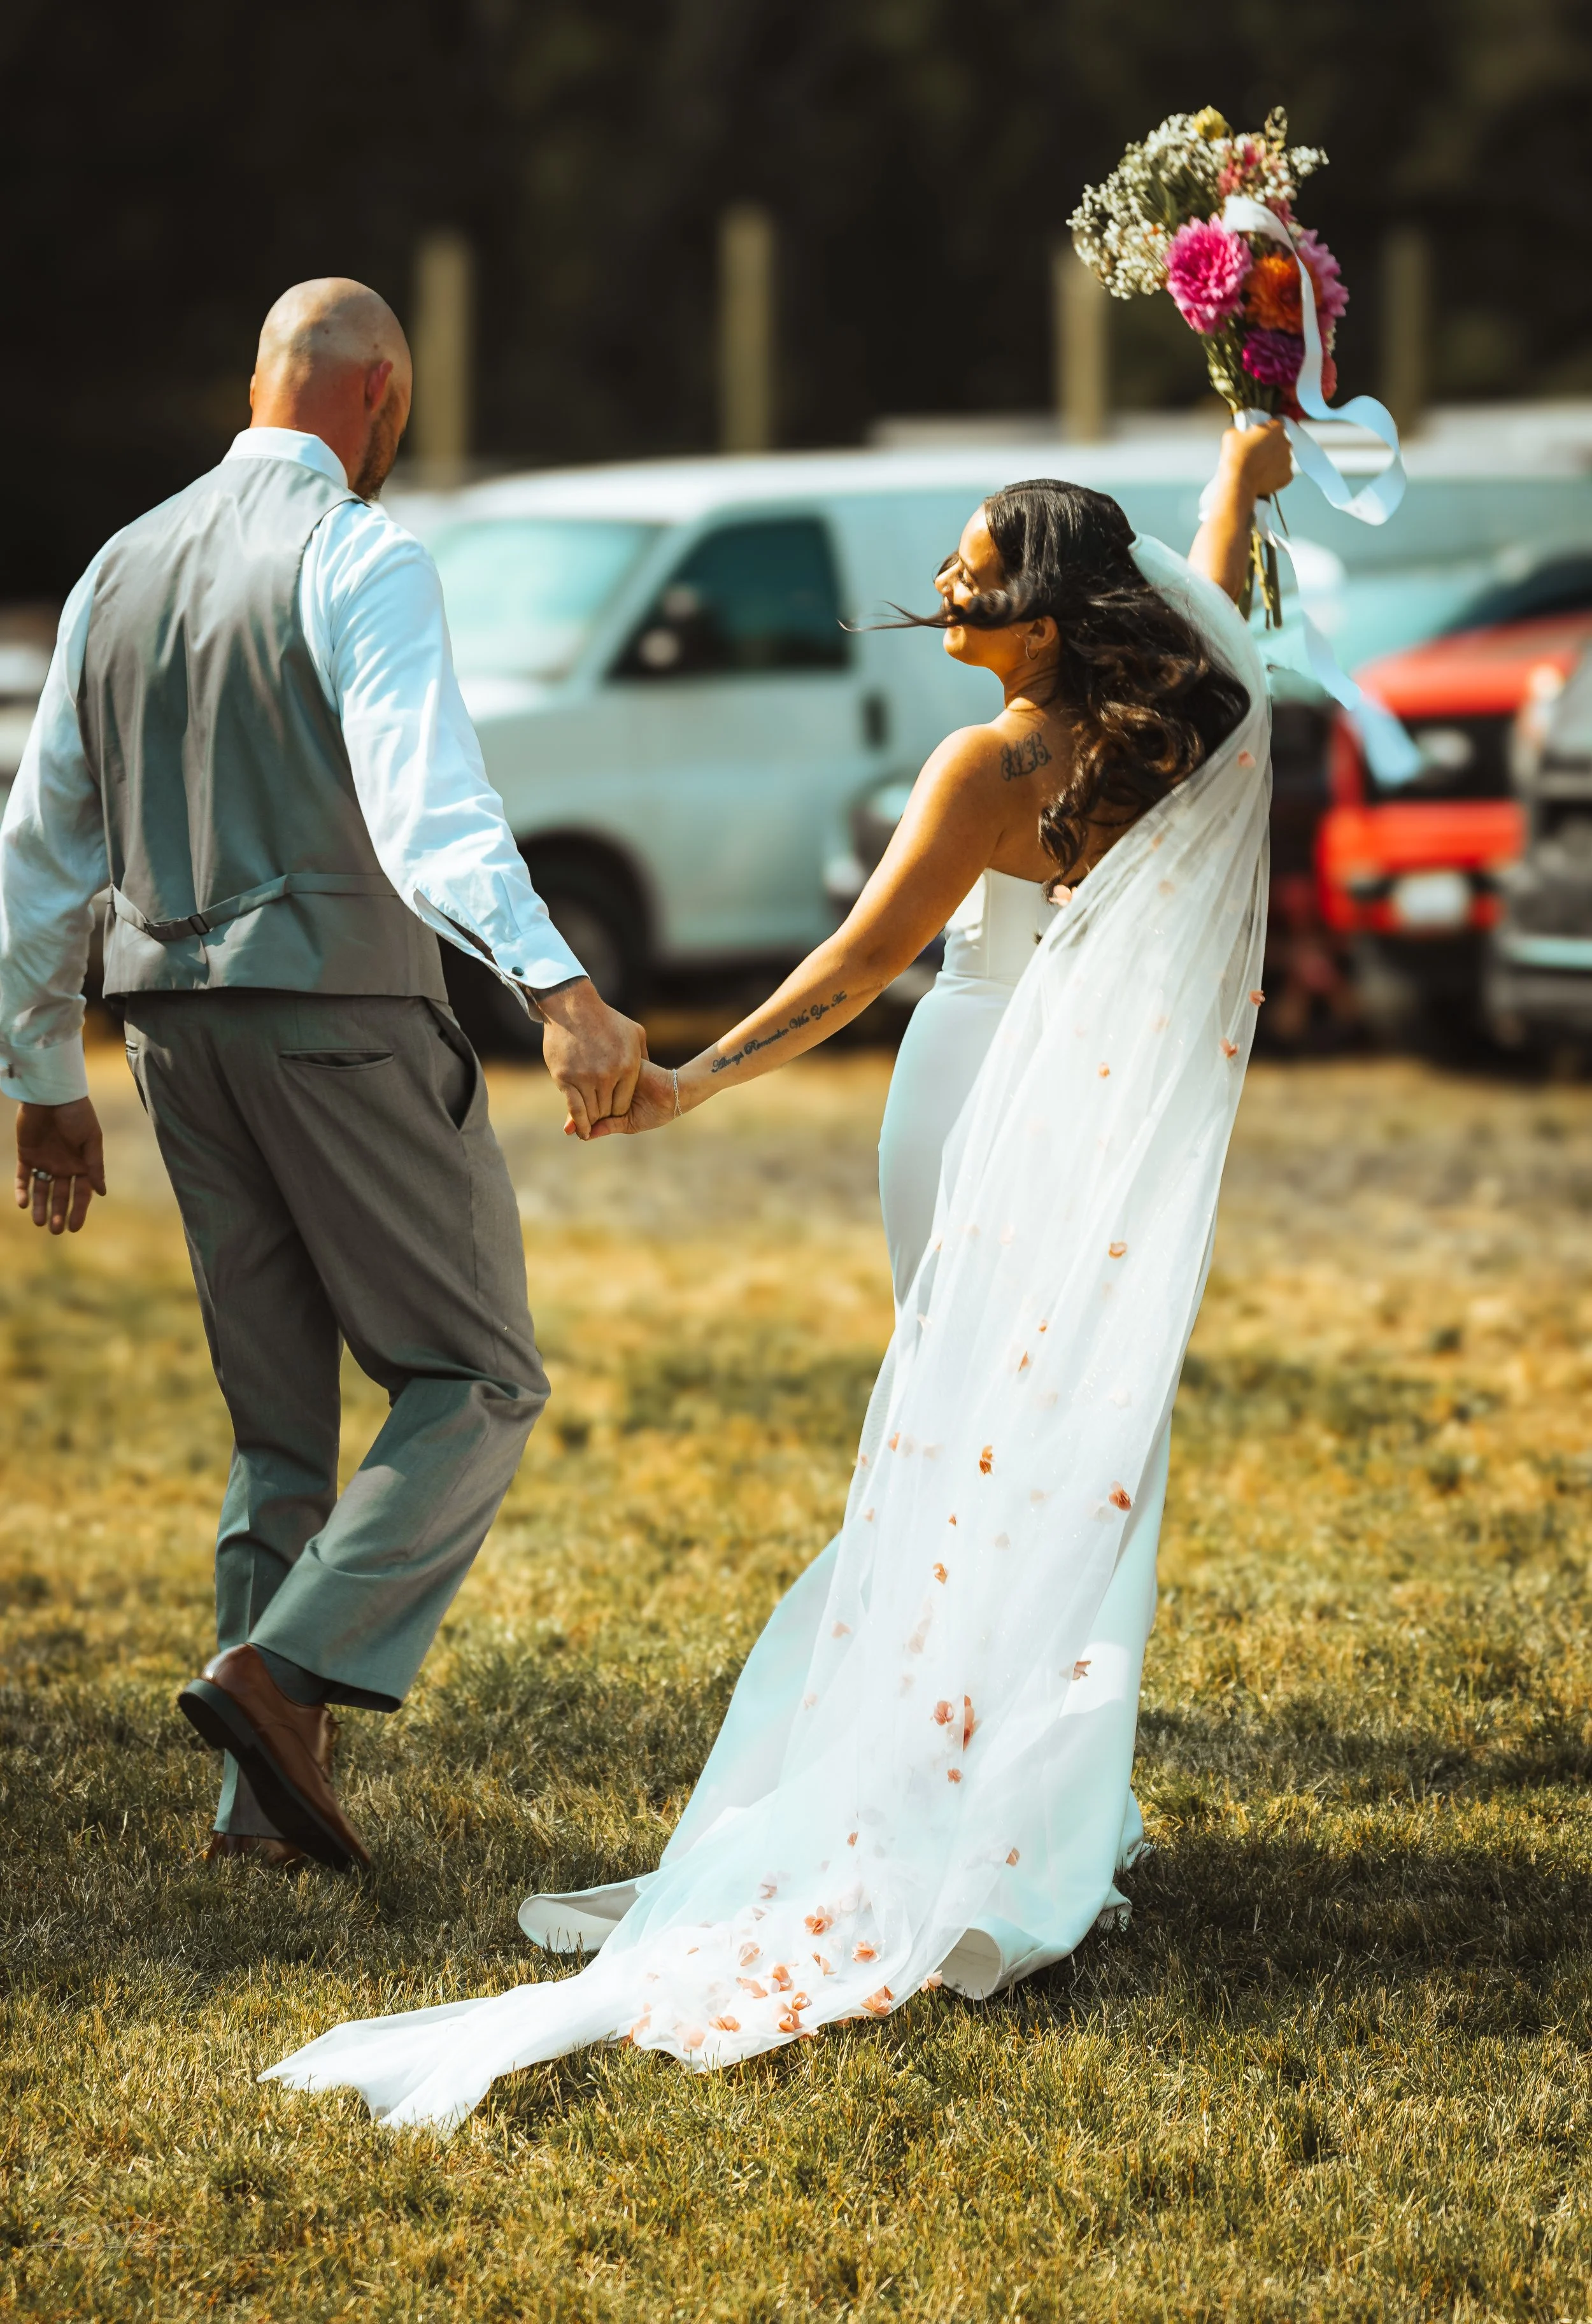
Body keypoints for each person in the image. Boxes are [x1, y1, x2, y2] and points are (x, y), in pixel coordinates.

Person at [266, 420, 1293, 2127]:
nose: (947, 584)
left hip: (969, 1091)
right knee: (1050, 1454)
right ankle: (1025, 1793)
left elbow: (851, 966)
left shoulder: (988, 770)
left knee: (957, 1447)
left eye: (978, 564)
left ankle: (939, 1789)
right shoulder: (1188, 734)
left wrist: (689, 1083)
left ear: (1045, 610)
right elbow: (1230, 615)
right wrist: (1238, 501)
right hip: (1095, 1125)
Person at [0, 278, 646, 1873]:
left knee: (277, 1428)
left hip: (165, 1033)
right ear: (378, 400)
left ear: (258, 384)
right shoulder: (361, 553)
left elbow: (39, 849)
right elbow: (431, 809)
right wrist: (557, 989)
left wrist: (39, 1066)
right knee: (477, 1371)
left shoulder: (114, 568)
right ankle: (279, 1679)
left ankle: (258, 1815)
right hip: (340, 1014)